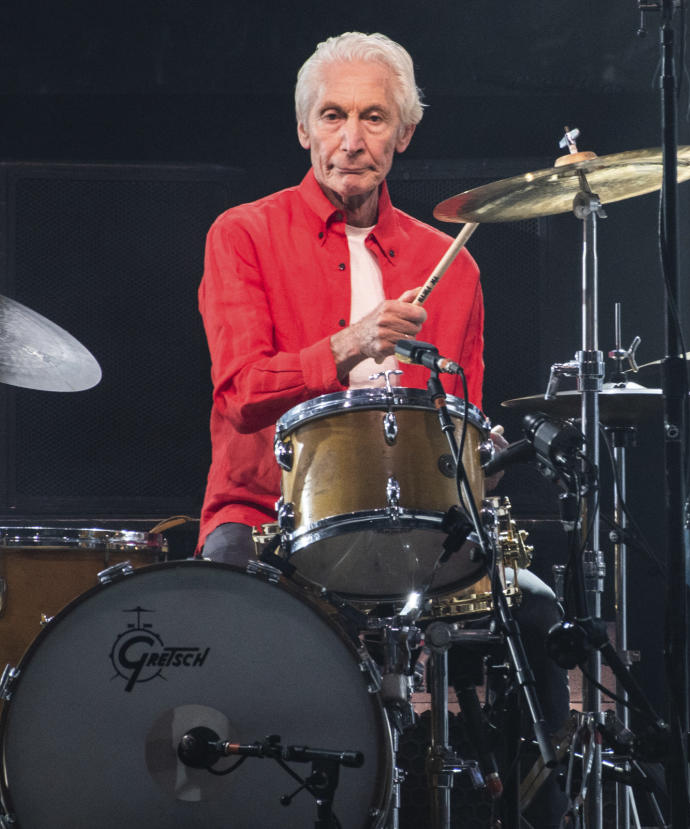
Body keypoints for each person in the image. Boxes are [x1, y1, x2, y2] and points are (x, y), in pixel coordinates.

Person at [196, 31, 569, 823]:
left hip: (418, 532)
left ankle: (510, 796)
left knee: (538, 612)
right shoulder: (243, 234)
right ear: (304, 129)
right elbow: (238, 394)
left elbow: (454, 421)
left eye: (373, 118)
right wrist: (348, 345)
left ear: (404, 134)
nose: (351, 139)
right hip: (267, 516)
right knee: (221, 599)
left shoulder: (452, 264)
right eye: (332, 116)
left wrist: (484, 452)